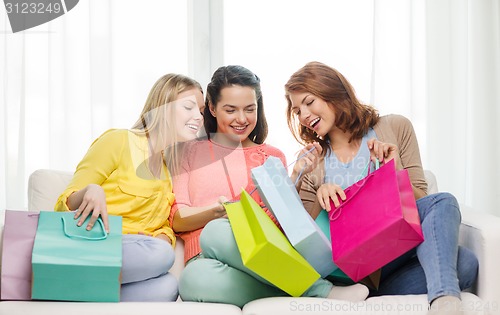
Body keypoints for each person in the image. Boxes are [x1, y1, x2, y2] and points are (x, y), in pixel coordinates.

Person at [284, 61, 478, 315]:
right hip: (357, 269)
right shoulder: (314, 163)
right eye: (297, 110)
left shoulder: (394, 128)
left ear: (332, 91)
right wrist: (316, 194)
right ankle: (443, 298)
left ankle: (443, 304)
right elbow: (304, 244)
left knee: (466, 261)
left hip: (398, 257)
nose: (304, 115)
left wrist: (393, 170)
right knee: (444, 204)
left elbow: (420, 206)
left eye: (309, 102)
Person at [170, 65, 370, 308]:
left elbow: (280, 227)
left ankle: (316, 288)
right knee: (192, 279)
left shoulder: (271, 156)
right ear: (212, 108)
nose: (242, 119)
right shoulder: (187, 151)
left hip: (263, 259)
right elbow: (178, 219)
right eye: (230, 110)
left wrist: (294, 176)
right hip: (204, 256)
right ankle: (309, 289)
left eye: (250, 109)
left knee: (216, 230)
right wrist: (217, 211)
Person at [54, 73, 204, 302]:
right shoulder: (119, 141)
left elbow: (163, 225)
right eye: (189, 107)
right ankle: (73, 278)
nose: (198, 117)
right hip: (97, 243)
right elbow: (63, 203)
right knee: (162, 255)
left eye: (201, 112)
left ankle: (79, 291)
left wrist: (162, 238)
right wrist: (91, 190)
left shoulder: (168, 170)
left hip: (135, 252)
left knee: (168, 287)